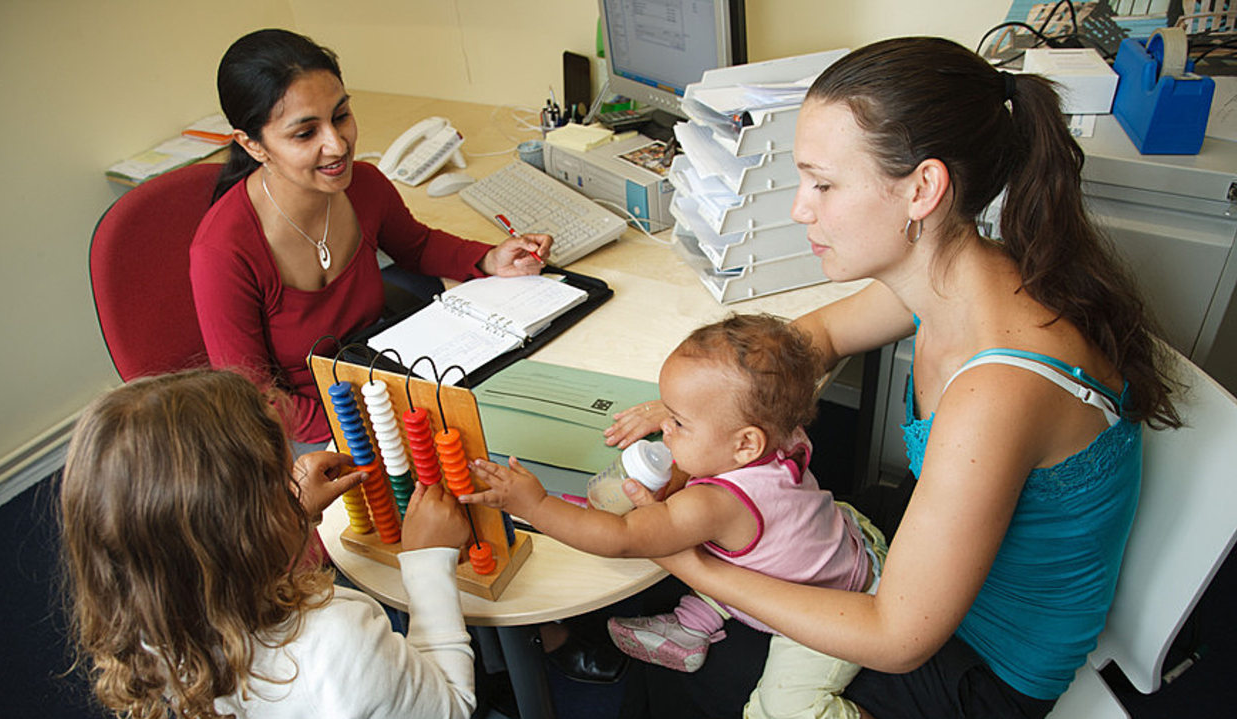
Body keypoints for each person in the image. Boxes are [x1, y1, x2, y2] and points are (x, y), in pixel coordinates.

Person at [612, 37, 1182, 719]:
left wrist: (701, 568)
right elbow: (809, 340)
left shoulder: (996, 390)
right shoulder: (951, 275)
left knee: (696, 660)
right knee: (686, 578)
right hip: (927, 567)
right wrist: (706, 409)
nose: (802, 208)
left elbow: (897, 637)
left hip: (979, 665)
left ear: (922, 189)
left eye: (822, 183)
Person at [466, 314, 886, 717]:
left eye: (679, 422)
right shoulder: (785, 434)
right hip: (845, 538)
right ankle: (694, 624)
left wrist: (535, 505)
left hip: (835, 606)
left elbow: (623, 537)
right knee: (728, 553)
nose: (663, 427)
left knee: (780, 709)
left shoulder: (713, 505)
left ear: (744, 445)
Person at [191, 29, 551, 449]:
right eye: (306, 133)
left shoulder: (364, 185)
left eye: (340, 115)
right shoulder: (222, 253)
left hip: (386, 381)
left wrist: (491, 259)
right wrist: (374, 421)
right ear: (252, 145)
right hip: (311, 430)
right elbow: (258, 401)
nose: (338, 144)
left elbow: (416, 246)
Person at [59, 369, 476, 719]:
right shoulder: (338, 640)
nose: (292, 487)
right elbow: (451, 706)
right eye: (281, 484)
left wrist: (292, 511)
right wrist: (426, 562)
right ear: (248, 528)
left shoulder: (157, 627)